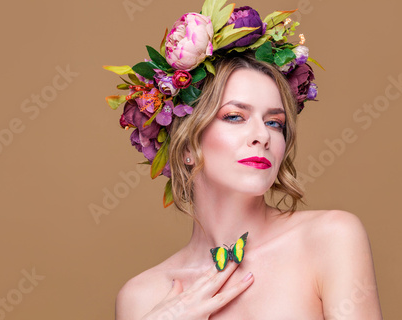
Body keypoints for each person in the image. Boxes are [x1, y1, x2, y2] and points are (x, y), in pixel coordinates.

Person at [105, 1, 382, 319]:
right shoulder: (142, 297)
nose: (262, 136)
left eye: (274, 122)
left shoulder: (330, 239)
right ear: (186, 147)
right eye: (235, 117)